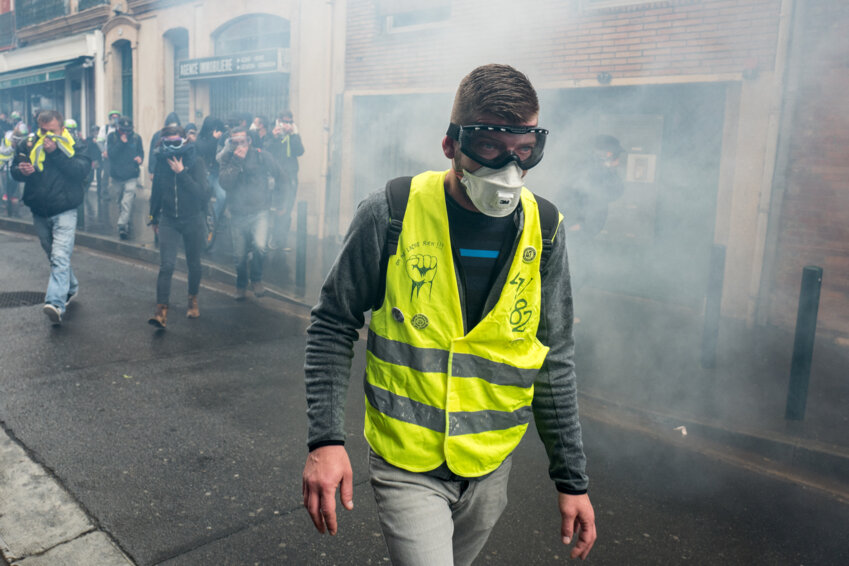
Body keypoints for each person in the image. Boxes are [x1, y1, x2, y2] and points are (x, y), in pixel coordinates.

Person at [301, 64, 596, 565]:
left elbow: (553, 356)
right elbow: (333, 322)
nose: (509, 167)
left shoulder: (545, 230)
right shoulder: (390, 212)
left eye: (524, 150)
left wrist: (572, 480)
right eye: (488, 147)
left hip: (489, 462)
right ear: (450, 145)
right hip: (405, 460)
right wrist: (325, 441)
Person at [11, 109, 91, 324]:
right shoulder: (29, 143)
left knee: (59, 257)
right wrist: (21, 170)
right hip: (39, 208)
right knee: (52, 254)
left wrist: (56, 152)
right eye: (43, 130)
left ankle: (55, 303)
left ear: (61, 127)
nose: (47, 136)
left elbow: (81, 171)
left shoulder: (74, 144)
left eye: (52, 131)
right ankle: (71, 286)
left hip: (65, 208)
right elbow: (14, 169)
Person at [147, 125, 209, 328]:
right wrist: (153, 217)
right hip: (168, 220)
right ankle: (160, 312)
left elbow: (202, 194)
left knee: (194, 263)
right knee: (166, 265)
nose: (172, 147)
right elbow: (156, 191)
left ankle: (192, 299)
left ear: (184, 141)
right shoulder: (160, 161)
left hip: (192, 218)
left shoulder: (196, 161)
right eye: (168, 143)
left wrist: (182, 173)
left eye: (176, 142)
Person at [217, 126, 287, 299]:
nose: (240, 146)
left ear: (249, 141)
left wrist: (279, 202)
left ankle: (256, 280)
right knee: (239, 255)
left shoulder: (262, 156)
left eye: (243, 141)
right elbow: (225, 183)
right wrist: (236, 162)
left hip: (260, 211)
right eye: (235, 143)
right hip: (238, 213)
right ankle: (241, 285)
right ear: (230, 144)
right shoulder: (227, 158)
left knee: (260, 246)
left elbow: (281, 177)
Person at [561, 134, 626, 293]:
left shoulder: (600, 171)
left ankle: (564, 312)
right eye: (615, 156)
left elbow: (615, 192)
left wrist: (609, 169)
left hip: (584, 229)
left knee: (579, 271)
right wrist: (575, 223)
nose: (618, 161)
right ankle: (560, 313)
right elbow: (570, 196)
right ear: (607, 155)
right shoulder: (586, 170)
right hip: (577, 229)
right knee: (577, 272)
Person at [264, 109, 304, 250]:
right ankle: (270, 237)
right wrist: (274, 137)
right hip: (275, 178)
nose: (287, 124)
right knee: (274, 208)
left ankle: (281, 241)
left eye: (290, 122)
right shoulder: (272, 133)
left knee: (287, 209)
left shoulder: (294, 135)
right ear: (279, 122)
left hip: (290, 177)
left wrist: (294, 135)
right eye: (285, 121)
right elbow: (266, 151)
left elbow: (299, 151)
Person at [107, 116, 144, 239]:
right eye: (124, 130)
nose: (126, 133)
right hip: (117, 176)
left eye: (128, 130)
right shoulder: (112, 137)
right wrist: (120, 143)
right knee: (119, 200)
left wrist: (140, 159)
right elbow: (111, 155)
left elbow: (141, 152)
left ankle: (122, 225)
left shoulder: (136, 138)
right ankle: (125, 217)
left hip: (131, 175)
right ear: (118, 128)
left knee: (126, 201)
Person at [197, 116, 227, 229]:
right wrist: (214, 139)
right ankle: (203, 219)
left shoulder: (221, 138)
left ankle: (214, 218)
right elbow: (204, 150)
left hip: (218, 173)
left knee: (222, 197)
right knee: (203, 198)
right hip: (206, 173)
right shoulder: (201, 138)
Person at [0, 121, 29, 217]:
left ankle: (14, 211)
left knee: (15, 190)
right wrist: (12, 147)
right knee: (7, 190)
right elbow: (3, 150)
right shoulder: (7, 138)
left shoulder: (24, 139)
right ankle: (6, 209)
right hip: (5, 167)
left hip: (15, 167)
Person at [148, 112, 181, 182]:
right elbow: (153, 154)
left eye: (175, 127)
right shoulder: (158, 136)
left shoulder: (181, 136)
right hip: (161, 170)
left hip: (175, 170)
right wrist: (152, 171)